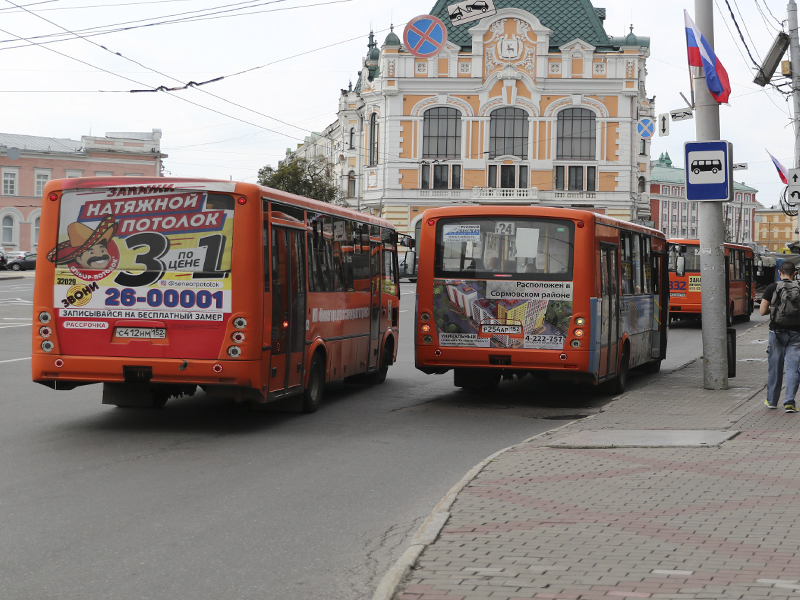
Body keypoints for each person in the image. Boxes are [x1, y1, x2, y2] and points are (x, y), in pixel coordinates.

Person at [760, 260, 800, 412]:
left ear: (779, 272)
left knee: (775, 368)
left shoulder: (772, 287)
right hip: (796, 333)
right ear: (795, 273)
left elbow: (762, 311)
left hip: (776, 332)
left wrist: (777, 309)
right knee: (793, 368)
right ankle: (789, 402)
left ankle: (772, 401)